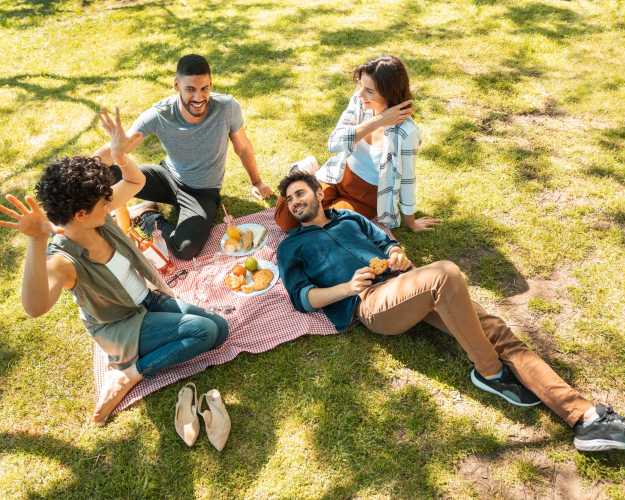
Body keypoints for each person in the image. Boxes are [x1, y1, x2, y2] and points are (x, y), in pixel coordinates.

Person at [276, 171, 625, 452]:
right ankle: (489, 371)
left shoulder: (349, 217)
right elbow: (302, 298)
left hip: (408, 284)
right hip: (372, 304)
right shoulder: (291, 247)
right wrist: (346, 288)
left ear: (318, 194)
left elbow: (387, 242)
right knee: (446, 274)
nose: (294, 203)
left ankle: (586, 417)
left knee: (497, 331)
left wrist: (395, 253)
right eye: (289, 200)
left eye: (299, 193)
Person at [0, 109, 228, 425]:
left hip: (147, 300)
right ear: (80, 214)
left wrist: (119, 155)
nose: (111, 205)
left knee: (220, 330)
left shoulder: (99, 219)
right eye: (104, 202)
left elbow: (136, 179)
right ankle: (130, 373)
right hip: (121, 324)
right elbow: (34, 307)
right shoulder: (64, 260)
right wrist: (37, 241)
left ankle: (142, 354)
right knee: (202, 331)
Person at [95, 54, 273, 260]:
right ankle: (127, 208)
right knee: (103, 172)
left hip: (202, 192)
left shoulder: (227, 108)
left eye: (205, 88)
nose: (199, 97)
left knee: (185, 249)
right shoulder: (160, 113)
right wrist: (79, 172)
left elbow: (242, 148)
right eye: (190, 89)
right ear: (176, 85)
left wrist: (257, 182)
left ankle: (147, 216)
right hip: (167, 177)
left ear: (211, 84)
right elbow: (121, 145)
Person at [275, 55, 438, 233]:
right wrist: (378, 121)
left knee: (326, 228)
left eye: (369, 90)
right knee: (285, 219)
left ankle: (307, 176)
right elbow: (334, 143)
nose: (360, 94)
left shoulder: (407, 132)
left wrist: (411, 222)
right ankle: (304, 171)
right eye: (360, 85)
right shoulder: (360, 102)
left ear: (389, 92)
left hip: (365, 195)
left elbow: (407, 179)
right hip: (338, 173)